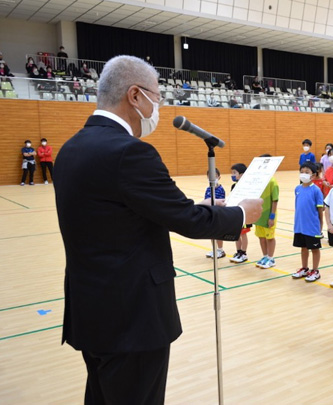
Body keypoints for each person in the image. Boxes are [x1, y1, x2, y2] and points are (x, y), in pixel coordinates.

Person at [53, 55, 262, 405]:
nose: (159, 108)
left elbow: (127, 214)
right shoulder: (130, 153)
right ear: (135, 95)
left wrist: (205, 210)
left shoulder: (71, 148)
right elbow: (186, 220)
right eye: (157, 97)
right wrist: (241, 214)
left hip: (91, 309)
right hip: (132, 318)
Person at [291, 162, 324, 282]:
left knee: (314, 249)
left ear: (313, 175)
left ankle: (315, 270)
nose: (303, 174)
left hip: (312, 227)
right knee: (303, 248)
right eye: (302, 172)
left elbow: (320, 210)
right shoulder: (297, 189)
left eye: (307, 172)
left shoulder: (316, 191)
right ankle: (304, 268)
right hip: (300, 226)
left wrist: (320, 226)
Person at [254, 155, 280, 269]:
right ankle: (264, 256)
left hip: (269, 215)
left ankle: (271, 258)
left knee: (269, 237)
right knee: (261, 237)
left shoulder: (273, 182)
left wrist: (272, 216)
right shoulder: (258, 180)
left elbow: (275, 200)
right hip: (259, 215)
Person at [229, 163, 253, 263]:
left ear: (242, 174)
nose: (232, 175)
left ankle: (244, 253)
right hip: (236, 212)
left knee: (243, 234)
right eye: (232, 173)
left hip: (244, 213)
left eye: (235, 173)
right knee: (237, 234)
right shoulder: (233, 186)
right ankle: (238, 251)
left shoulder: (247, 186)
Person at [204, 168, 226, 259]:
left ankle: (220, 250)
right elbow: (206, 200)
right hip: (210, 213)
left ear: (219, 177)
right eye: (210, 176)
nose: (212, 178)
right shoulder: (208, 189)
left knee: (218, 233)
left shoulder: (221, 189)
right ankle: (214, 249)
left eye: (215, 176)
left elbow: (221, 202)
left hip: (218, 214)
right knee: (211, 233)